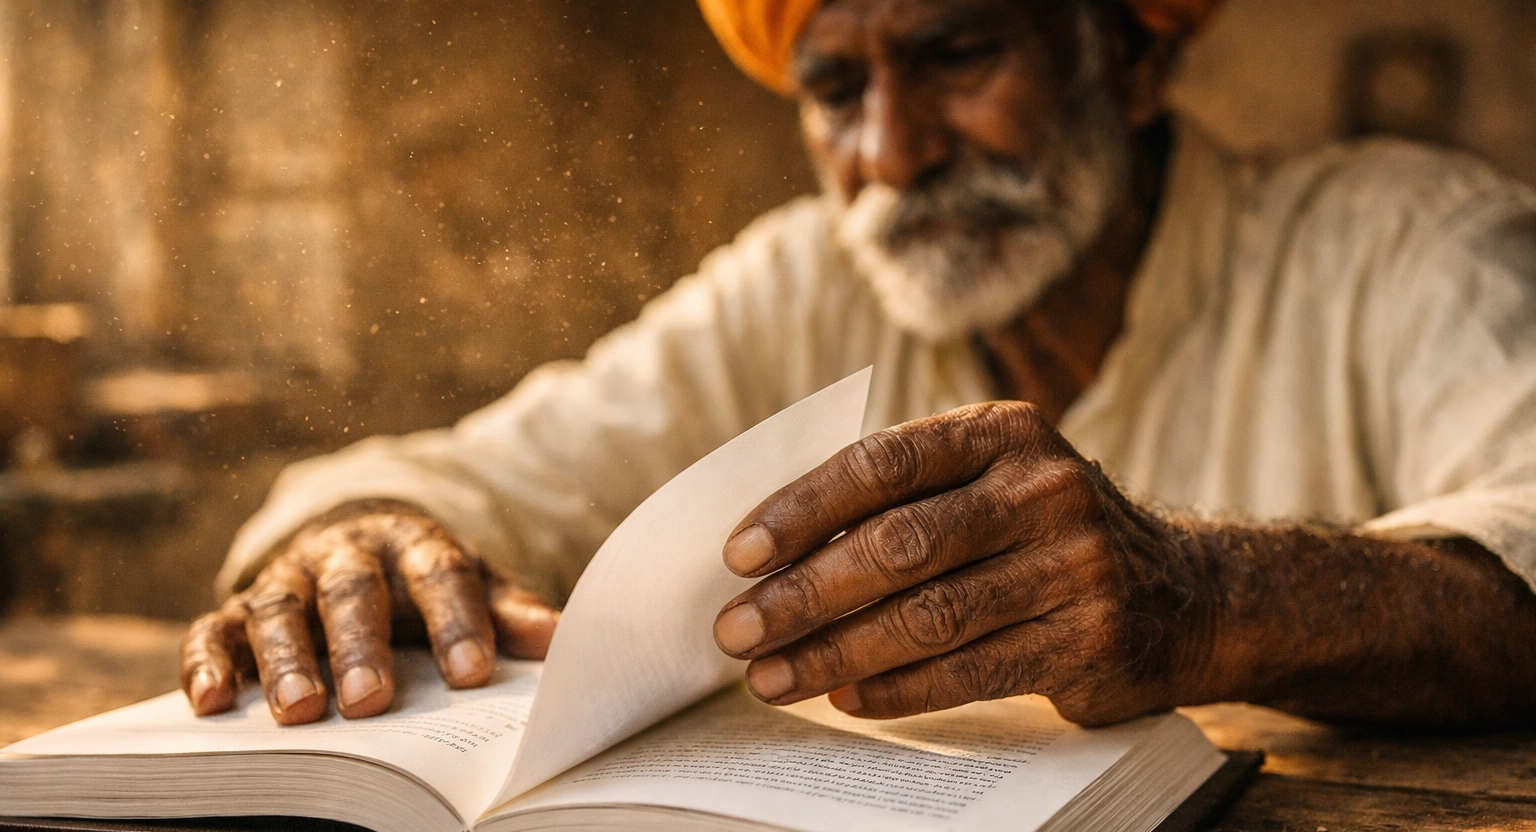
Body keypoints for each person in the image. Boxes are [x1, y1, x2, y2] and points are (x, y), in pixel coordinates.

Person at [180, 0, 1536, 732]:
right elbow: (454, 475)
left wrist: (1210, 595)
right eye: (836, 89)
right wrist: (357, 536)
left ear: (1128, 56)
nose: (891, 153)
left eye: (956, 53)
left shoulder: (1405, 239)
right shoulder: (802, 280)